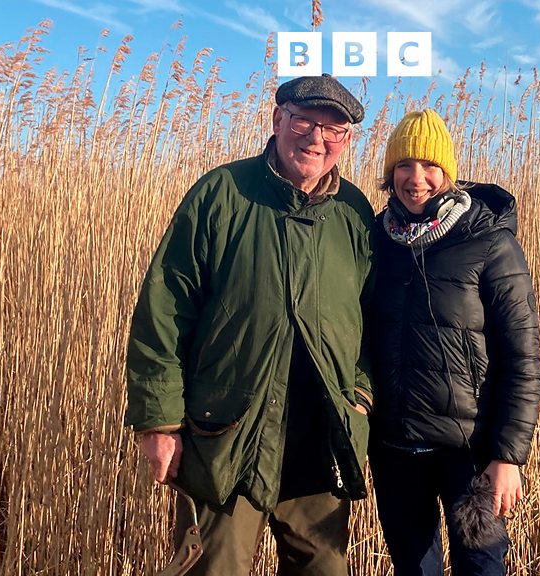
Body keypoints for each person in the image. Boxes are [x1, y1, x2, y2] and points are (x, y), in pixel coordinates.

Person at [124, 74, 375, 576]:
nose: (316, 138)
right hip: (227, 438)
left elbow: (373, 318)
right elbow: (165, 308)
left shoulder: (353, 212)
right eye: (304, 121)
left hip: (319, 443)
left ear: (348, 140)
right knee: (214, 568)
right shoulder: (222, 194)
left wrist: (361, 397)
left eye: (334, 129)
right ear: (278, 118)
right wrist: (159, 422)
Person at [368, 109, 540, 575]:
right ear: (390, 173)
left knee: (481, 566)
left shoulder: (489, 243)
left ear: (448, 172)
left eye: (430, 165)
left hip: (470, 451)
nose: (416, 179)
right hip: (394, 448)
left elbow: (523, 360)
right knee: (413, 567)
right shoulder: (375, 241)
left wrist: (508, 455)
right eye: (404, 165)